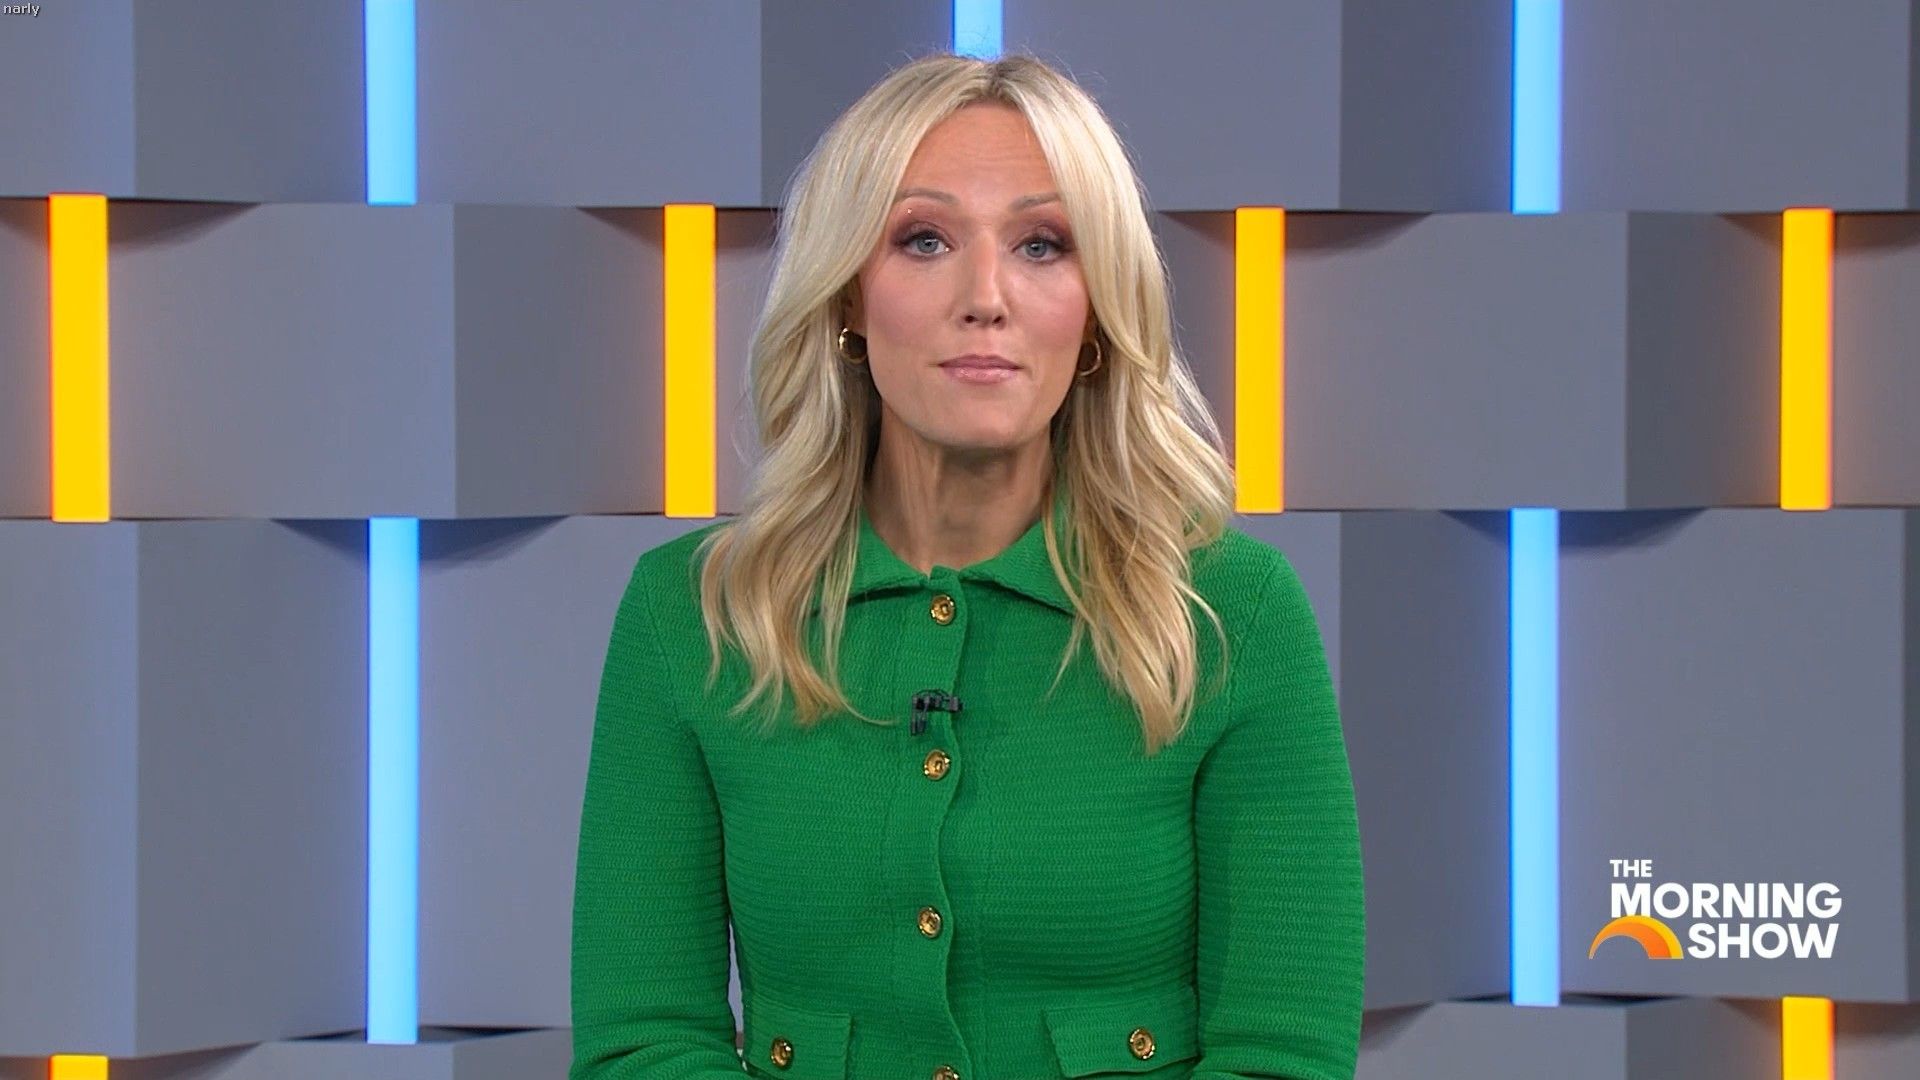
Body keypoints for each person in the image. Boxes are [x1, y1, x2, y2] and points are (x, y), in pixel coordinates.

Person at [570, 51, 1364, 1080]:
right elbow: (642, 1043)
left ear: (1096, 308)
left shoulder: (1231, 613)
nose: (986, 296)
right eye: (925, 240)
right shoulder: (691, 613)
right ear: (848, 298)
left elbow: (1282, 1055)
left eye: (1042, 244)